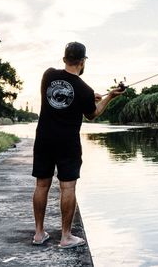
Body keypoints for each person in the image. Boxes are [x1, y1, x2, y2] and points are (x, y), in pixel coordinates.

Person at [31, 41, 123, 248]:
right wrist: (109, 97)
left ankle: (38, 233)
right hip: (67, 143)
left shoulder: (48, 75)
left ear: (65, 59)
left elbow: (68, 92)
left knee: (41, 185)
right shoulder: (84, 89)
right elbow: (92, 114)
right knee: (68, 187)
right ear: (82, 62)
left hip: (44, 139)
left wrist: (91, 96)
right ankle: (65, 237)